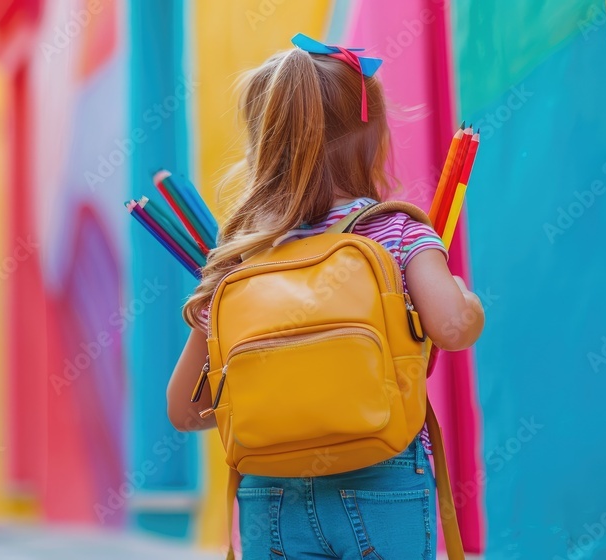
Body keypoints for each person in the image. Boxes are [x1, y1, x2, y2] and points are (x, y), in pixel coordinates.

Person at [166, 39, 484, 560]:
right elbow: (452, 327)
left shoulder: (235, 260)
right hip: (380, 479)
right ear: (372, 140)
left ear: (262, 146)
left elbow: (187, 410)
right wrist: (467, 302)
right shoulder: (394, 231)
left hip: (269, 491)